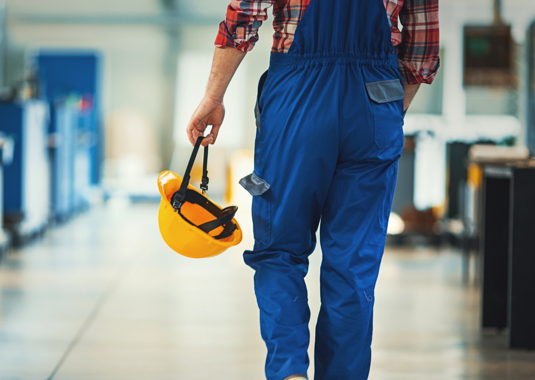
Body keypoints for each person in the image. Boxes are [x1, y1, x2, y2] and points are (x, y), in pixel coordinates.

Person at [186, 0, 440, 379]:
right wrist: (381, 112)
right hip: (375, 99)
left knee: (279, 251)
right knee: (354, 265)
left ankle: (289, 372)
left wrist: (212, 97)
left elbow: (245, 17)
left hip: (298, 98)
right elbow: (422, 48)